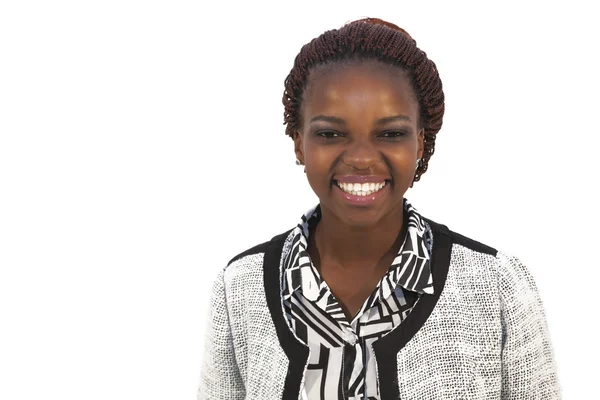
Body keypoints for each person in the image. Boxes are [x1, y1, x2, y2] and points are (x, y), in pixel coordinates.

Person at [197, 17, 560, 400]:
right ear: (299, 142)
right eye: (330, 134)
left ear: (420, 143)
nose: (361, 159)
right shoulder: (240, 287)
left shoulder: (498, 287)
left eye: (390, 134)